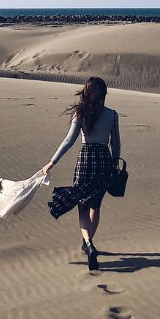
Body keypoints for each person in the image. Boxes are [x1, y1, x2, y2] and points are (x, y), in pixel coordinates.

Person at [41, 77, 121, 271]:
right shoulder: (112, 114)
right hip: (104, 160)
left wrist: (52, 162)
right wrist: (114, 164)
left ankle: (89, 243)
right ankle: (89, 243)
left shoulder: (81, 112)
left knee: (82, 207)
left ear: (86, 92)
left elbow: (69, 140)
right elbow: (116, 144)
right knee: (96, 204)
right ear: (103, 94)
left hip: (85, 160)